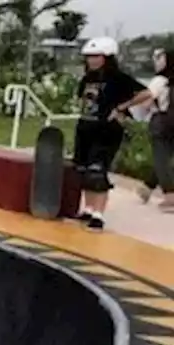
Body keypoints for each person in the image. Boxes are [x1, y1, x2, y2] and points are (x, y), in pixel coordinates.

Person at [70, 37, 154, 229]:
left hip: (107, 131)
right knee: (83, 170)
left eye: (96, 57)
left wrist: (121, 107)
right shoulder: (87, 78)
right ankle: (88, 209)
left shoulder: (118, 78)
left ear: (107, 58)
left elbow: (146, 93)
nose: (91, 61)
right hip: (85, 128)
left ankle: (99, 213)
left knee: (98, 171)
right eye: (89, 57)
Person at [137, 47, 173, 211]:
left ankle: (170, 196)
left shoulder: (160, 80)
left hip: (162, 121)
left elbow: (146, 100)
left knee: (161, 157)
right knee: (165, 156)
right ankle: (147, 187)